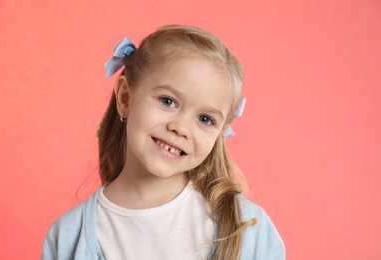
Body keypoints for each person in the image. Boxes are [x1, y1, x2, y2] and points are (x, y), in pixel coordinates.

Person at [42, 24, 285, 260]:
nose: (180, 128)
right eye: (168, 101)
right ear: (125, 98)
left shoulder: (248, 229)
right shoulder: (66, 237)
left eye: (205, 119)